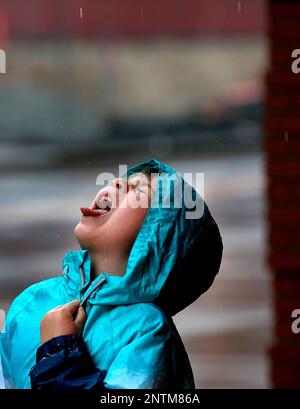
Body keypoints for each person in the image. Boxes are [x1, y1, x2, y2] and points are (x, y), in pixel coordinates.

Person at [0, 158, 223, 389]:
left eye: (139, 189)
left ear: (159, 234)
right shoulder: (30, 301)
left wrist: (59, 352)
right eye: (123, 180)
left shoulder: (146, 330)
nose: (117, 182)